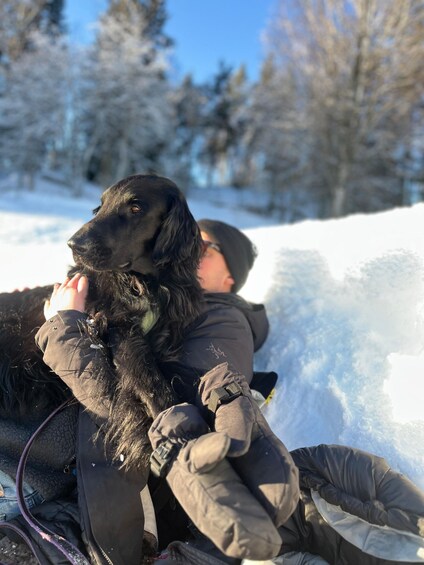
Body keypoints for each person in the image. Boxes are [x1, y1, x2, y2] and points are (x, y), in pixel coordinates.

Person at [4, 218, 299, 564]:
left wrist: (65, 328)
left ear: (229, 277)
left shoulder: (222, 319)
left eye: (201, 247)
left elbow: (163, 420)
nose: (182, 252)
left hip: (46, 475)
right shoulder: (152, 302)